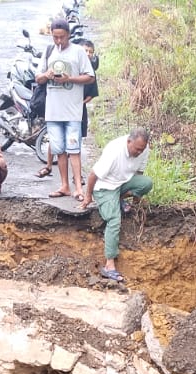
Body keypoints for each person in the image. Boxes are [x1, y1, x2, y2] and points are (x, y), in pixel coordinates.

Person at [78, 128, 152, 282]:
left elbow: (139, 174)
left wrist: (136, 200)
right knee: (114, 220)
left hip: (121, 184)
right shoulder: (114, 151)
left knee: (146, 183)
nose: (139, 152)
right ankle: (109, 265)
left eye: (142, 149)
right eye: (137, 149)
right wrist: (88, 197)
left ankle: (118, 199)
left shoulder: (143, 149)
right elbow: (93, 175)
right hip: (104, 187)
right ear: (128, 141)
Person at [36, 19, 94, 201]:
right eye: (55, 37)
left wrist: (70, 79)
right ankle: (64, 186)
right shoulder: (48, 51)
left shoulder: (78, 52)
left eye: (62, 37)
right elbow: (38, 78)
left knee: (74, 149)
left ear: (68, 34)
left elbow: (90, 77)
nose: (59, 41)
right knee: (59, 150)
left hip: (72, 112)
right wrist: (46, 75)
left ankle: (78, 188)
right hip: (53, 112)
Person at [39, 37, 99, 178]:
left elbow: (92, 93)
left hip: (77, 109)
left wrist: (80, 102)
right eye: (86, 51)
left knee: (74, 144)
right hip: (60, 106)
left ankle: (76, 177)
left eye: (91, 52)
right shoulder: (66, 65)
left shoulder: (90, 73)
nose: (88, 54)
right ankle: (49, 165)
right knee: (56, 139)